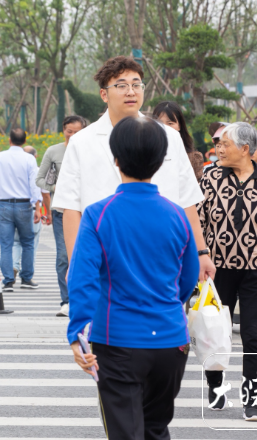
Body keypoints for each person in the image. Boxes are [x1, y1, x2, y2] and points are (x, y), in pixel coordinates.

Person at [68, 116, 199, 440]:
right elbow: (188, 277)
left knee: (126, 432)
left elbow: (82, 280)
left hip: (118, 342)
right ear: (159, 161)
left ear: (115, 159)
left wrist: (77, 335)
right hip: (171, 342)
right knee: (156, 428)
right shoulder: (176, 215)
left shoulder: (99, 215)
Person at [52, 55, 214, 284]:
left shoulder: (169, 137)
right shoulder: (82, 142)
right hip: (104, 257)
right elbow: (71, 208)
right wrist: (76, 262)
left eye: (136, 84)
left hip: (161, 255)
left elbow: (187, 200)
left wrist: (201, 253)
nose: (131, 91)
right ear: (104, 94)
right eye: (121, 85)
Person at [198, 122, 257, 421]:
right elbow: (198, 224)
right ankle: (216, 386)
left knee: (254, 336)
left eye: (225, 144)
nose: (219, 148)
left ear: (245, 149)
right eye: (218, 144)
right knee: (214, 333)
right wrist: (197, 260)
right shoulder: (210, 177)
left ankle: (253, 399)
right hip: (217, 270)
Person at [36, 115, 86, 317]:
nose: (73, 135)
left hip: (87, 212)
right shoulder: (54, 151)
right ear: (63, 130)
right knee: (64, 256)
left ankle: (84, 299)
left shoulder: (90, 150)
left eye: (77, 131)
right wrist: (56, 187)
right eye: (69, 131)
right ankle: (66, 301)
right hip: (61, 212)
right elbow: (40, 179)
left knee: (87, 255)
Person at [0, 128, 42, 291]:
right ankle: (26, 278)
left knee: (6, 243)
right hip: (24, 205)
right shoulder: (29, 159)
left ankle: (9, 280)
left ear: (9, 141)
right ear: (24, 142)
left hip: (3, 205)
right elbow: (34, 184)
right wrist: (37, 206)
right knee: (28, 242)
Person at [12, 146, 47, 279]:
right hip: (32, 210)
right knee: (31, 243)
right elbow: (44, 194)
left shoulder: (14, 170)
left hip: (14, 208)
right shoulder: (39, 172)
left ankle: (14, 265)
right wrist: (47, 212)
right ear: (36, 156)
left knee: (16, 242)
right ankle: (27, 275)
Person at [153, 101, 204, 181]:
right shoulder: (146, 156)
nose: (165, 128)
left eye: (170, 123)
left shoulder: (194, 158)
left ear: (179, 126)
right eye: (159, 123)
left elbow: (197, 189)